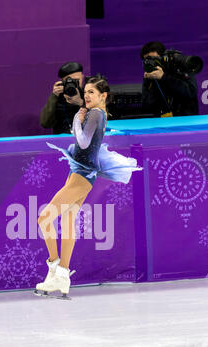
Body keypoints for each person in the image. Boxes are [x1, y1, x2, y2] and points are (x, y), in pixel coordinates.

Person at [35, 75, 142, 298]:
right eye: (86, 93)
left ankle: (55, 268)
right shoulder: (97, 114)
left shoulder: (96, 113)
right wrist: (79, 113)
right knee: (67, 219)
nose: (87, 96)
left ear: (103, 96)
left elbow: (82, 142)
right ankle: (62, 275)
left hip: (83, 172)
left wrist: (76, 119)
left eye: (91, 92)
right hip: (82, 170)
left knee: (44, 217)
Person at [140, 41, 199, 117]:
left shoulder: (181, 66)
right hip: (162, 121)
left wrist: (163, 77)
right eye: (147, 60)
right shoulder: (151, 75)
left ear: (164, 57)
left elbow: (191, 91)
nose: (152, 63)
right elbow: (147, 104)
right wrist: (147, 81)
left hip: (186, 119)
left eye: (154, 59)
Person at [40, 61, 85, 134]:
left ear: (82, 77)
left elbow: (100, 118)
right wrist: (54, 96)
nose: (73, 84)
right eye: (69, 81)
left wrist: (80, 103)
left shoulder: (88, 95)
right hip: (62, 140)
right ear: (62, 81)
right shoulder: (57, 98)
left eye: (76, 81)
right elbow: (45, 123)